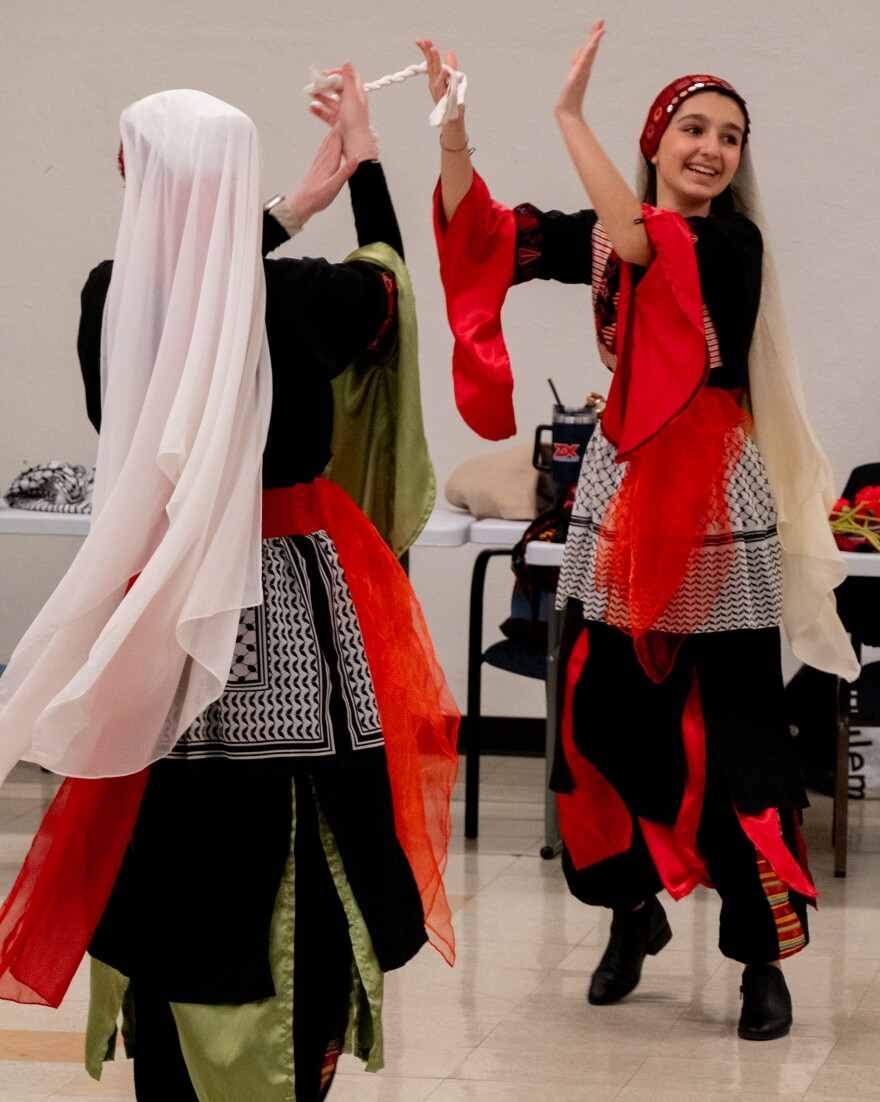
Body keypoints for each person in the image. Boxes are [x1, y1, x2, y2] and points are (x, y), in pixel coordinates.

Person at [0, 66, 457, 1101]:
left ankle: (169, 1051)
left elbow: (195, 286)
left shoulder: (111, 298)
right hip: (294, 603)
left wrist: (289, 206)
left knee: (161, 825)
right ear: (235, 184)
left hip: (160, 605)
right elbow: (389, 284)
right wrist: (363, 164)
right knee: (304, 818)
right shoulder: (305, 300)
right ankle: (296, 1052)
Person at [418, 23, 857, 1041]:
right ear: (657, 139)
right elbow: (485, 233)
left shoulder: (726, 243)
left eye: (731, 136)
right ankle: (632, 909)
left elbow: (643, 243)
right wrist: (453, 138)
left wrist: (566, 115)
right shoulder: (611, 231)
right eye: (694, 128)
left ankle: (758, 956)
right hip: (621, 493)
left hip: (715, 502)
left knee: (742, 730)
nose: (713, 148)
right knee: (603, 716)